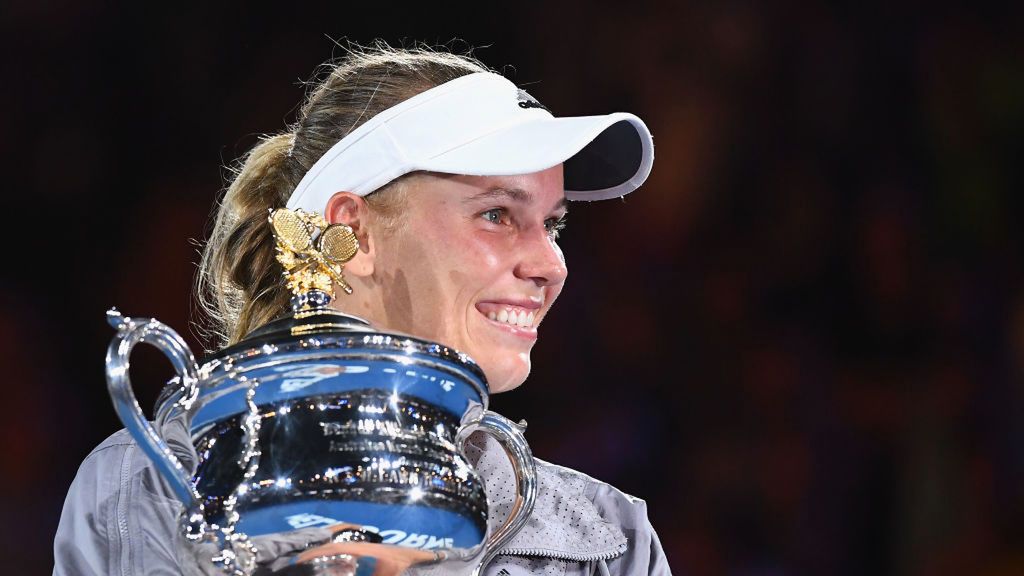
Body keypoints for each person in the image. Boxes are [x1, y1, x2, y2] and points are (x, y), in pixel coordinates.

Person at [53, 45, 670, 576]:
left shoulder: (608, 539)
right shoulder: (145, 491)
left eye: (552, 224)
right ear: (355, 231)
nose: (551, 265)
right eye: (497, 215)